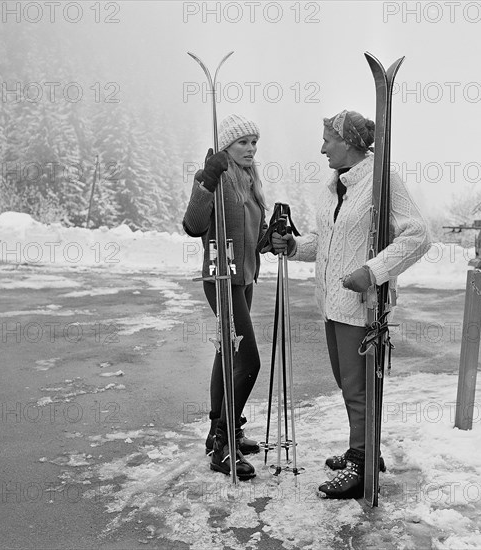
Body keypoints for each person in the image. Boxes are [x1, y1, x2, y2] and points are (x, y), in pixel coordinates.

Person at [272, 110, 431, 499]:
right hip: (332, 302)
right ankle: (363, 450)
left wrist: (373, 271)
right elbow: (330, 242)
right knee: (349, 385)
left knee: (359, 388)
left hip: (364, 304)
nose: (322, 146)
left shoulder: (382, 180)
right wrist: (295, 246)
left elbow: (418, 236)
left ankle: (362, 464)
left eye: (328, 138)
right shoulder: (337, 186)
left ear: (350, 143)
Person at [183, 114, 267, 480]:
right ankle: (223, 444)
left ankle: (217, 429)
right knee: (248, 361)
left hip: (244, 279)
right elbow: (193, 225)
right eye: (242, 143)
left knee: (227, 352)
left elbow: (257, 237)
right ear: (226, 148)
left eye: (253, 142)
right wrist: (207, 179)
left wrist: (275, 234)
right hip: (221, 278)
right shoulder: (215, 177)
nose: (250, 149)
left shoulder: (250, 180)